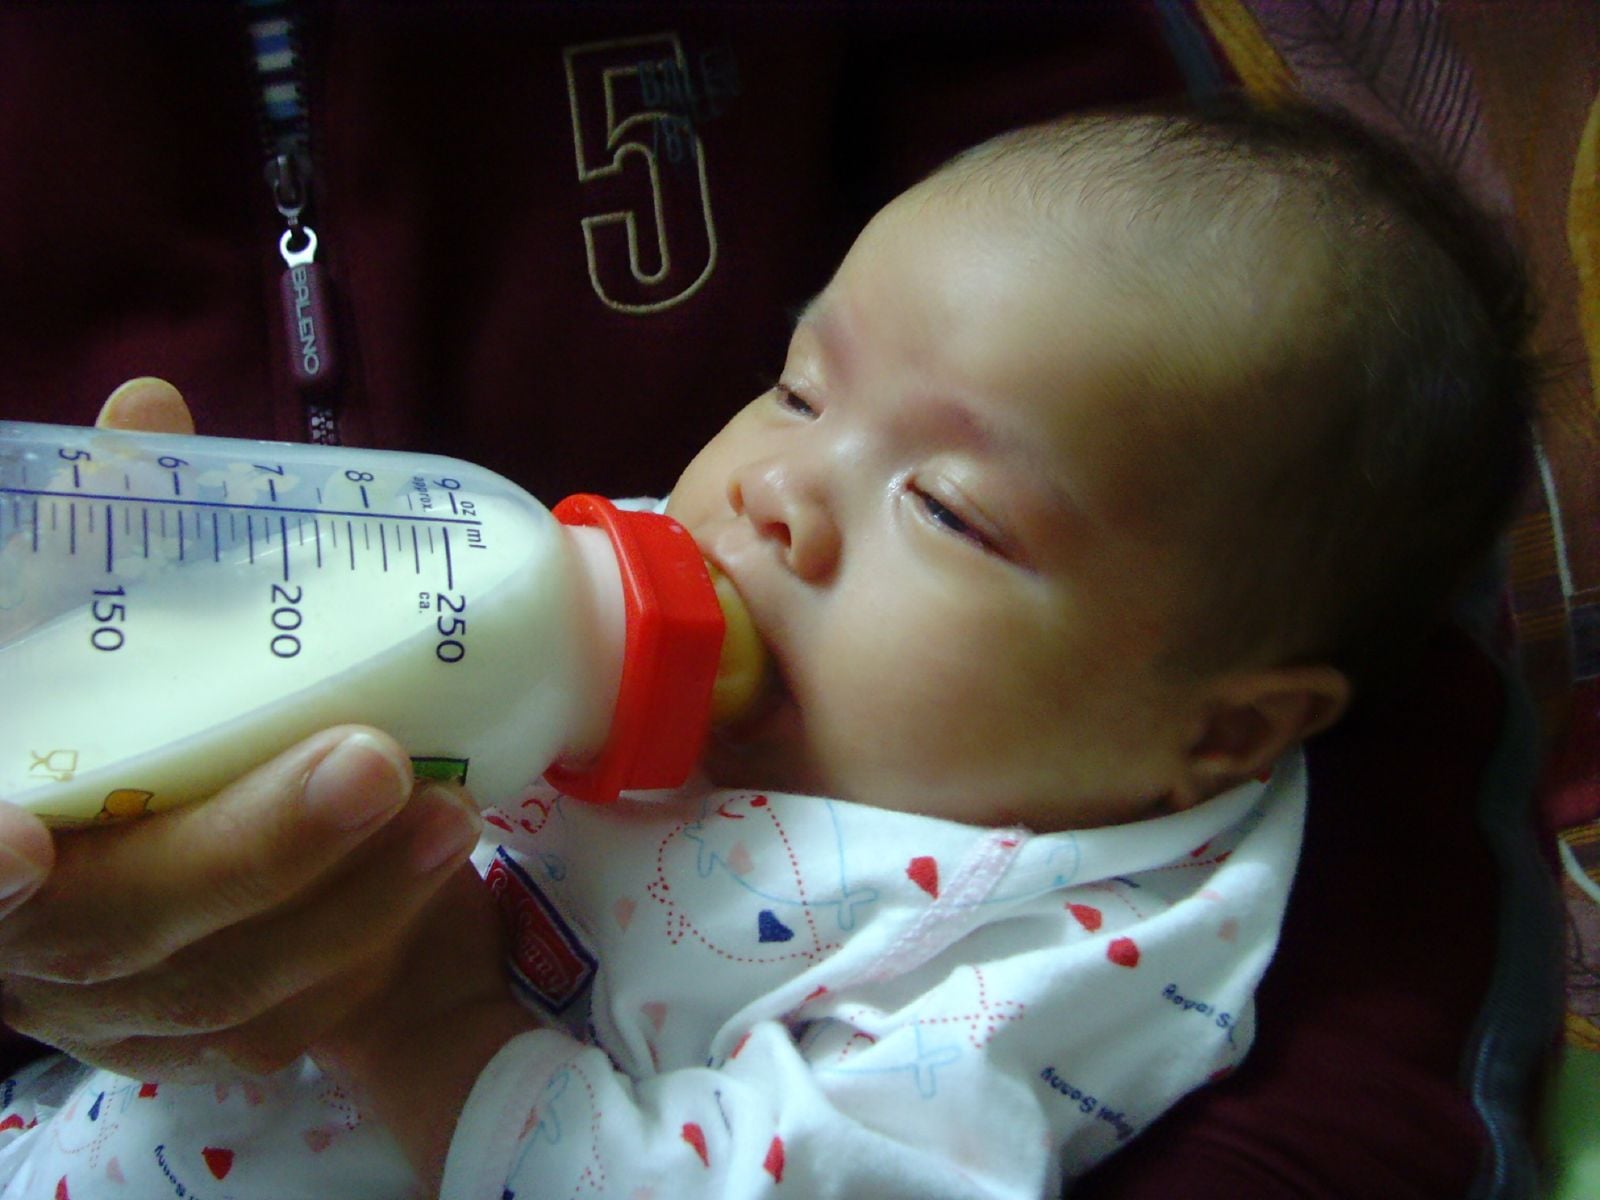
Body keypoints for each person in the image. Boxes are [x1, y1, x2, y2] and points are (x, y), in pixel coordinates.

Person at [0, 100, 1533, 1198]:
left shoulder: (1043, 959)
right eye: (797, 391)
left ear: (1217, 734)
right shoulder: (627, 584)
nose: (777, 496)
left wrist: (423, 1010)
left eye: (948, 508)